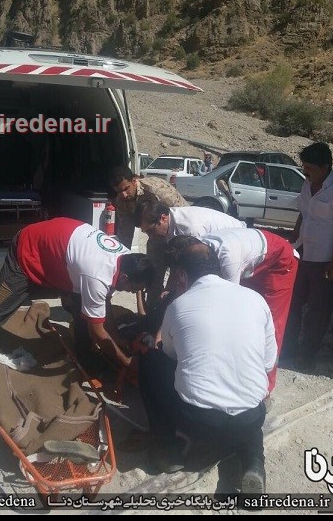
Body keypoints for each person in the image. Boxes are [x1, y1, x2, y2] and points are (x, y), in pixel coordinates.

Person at [0, 218, 155, 412]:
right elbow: (98, 331)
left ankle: (86, 359)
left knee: (87, 311)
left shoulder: (125, 257)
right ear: (124, 277)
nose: (131, 292)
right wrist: (126, 362)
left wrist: (117, 341)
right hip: (28, 251)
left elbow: (103, 307)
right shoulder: (97, 275)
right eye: (133, 289)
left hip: (59, 251)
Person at [137, 244, 276, 493]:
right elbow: (268, 362)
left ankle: (168, 451)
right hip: (251, 416)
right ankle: (254, 464)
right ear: (218, 268)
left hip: (198, 422)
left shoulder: (179, 305)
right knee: (246, 409)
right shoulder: (256, 299)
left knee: (150, 361)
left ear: (183, 275)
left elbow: (170, 355)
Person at [166, 227, 299, 394]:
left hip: (278, 261)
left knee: (269, 323)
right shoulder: (198, 252)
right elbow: (182, 291)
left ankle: (266, 387)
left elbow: (229, 304)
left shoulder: (227, 259)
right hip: (250, 261)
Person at [282, 142, 333, 370]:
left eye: (310, 168)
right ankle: (287, 349)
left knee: (317, 312)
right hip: (302, 254)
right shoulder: (307, 184)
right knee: (292, 305)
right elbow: (303, 214)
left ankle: (307, 357)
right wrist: (292, 241)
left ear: (325, 167)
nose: (306, 172)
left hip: (325, 261)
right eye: (304, 167)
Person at [133, 200, 247, 324]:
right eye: (145, 232)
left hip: (236, 243)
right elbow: (176, 263)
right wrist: (168, 289)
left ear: (163, 218)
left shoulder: (191, 229)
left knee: (219, 293)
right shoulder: (168, 227)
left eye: (150, 231)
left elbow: (196, 270)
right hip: (216, 246)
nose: (150, 236)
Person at [109, 166, 189, 316]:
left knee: (181, 279)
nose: (123, 194)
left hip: (177, 235)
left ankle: (175, 316)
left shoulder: (155, 188)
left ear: (134, 180)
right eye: (119, 191)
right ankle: (153, 315)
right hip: (155, 239)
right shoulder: (122, 201)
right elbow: (125, 235)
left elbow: (183, 213)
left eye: (126, 189)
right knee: (153, 279)